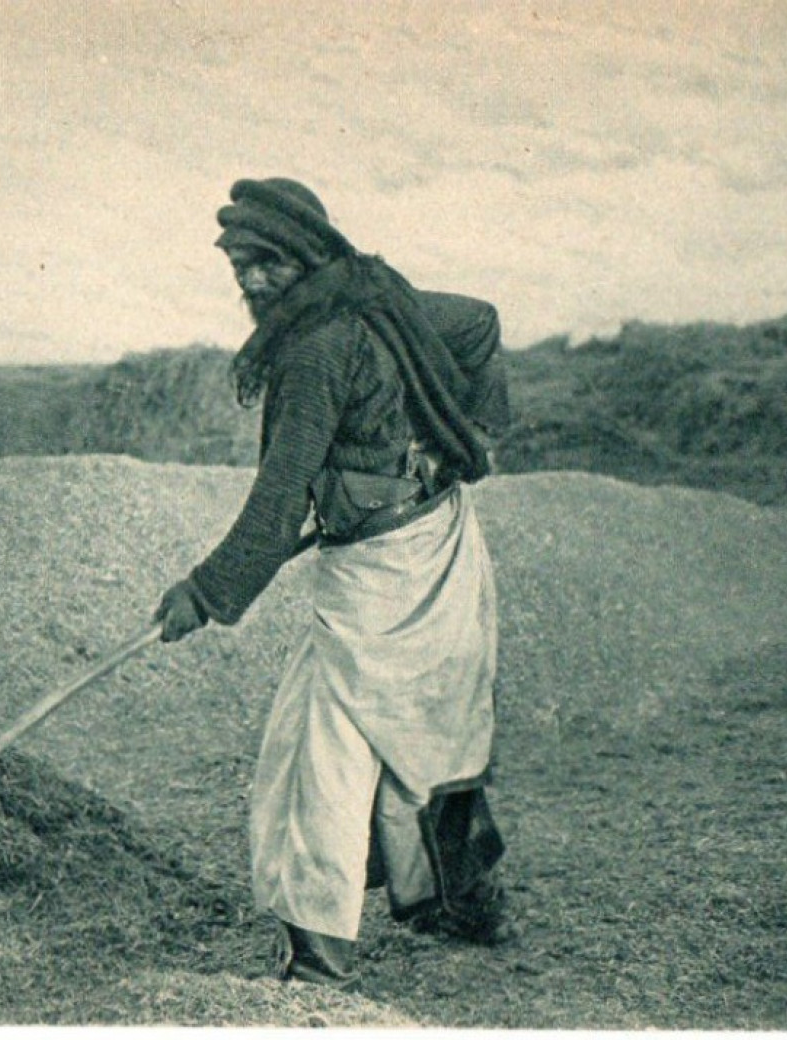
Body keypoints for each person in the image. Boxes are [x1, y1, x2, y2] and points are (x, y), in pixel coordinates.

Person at [152, 177, 513, 985]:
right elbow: (479, 323)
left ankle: (317, 953)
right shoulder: (380, 298)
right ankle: (458, 900)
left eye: (266, 262)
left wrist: (203, 595)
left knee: (321, 753)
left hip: (384, 571)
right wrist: (472, 437)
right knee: (434, 729)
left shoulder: (313, 351)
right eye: (239, 265)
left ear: (306, 253)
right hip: (442, 540)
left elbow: (279, 501)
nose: (249, 281)